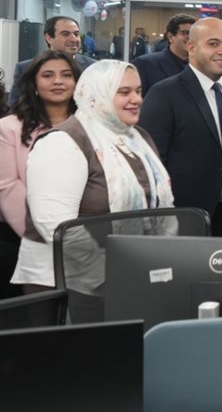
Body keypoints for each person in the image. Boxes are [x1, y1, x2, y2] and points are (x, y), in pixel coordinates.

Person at [14, 61, 173, 291]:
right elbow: (57, 226)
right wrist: (109, 275)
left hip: (132, 276)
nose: (137, 99)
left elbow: (161, 208)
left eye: (138, 91)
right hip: (68, 284)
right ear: (97, 95)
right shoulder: (62, 142)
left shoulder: (138, 137)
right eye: (124, 92)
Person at [138, 17, 222, 236]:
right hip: (183, 217)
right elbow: (151, 163)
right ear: (191, 47)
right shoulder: (164, 93)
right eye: (213, 44)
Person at [1, 51, 81, 295]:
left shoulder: (89, 125)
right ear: (34, 85)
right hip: (24, 238)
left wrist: (79, 237)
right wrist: (47, 233)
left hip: (84, 240)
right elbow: (7, 186)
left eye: (66, 75)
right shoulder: (9, 128)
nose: (58, 81)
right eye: (48, 75)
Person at [9, 16, 95, 105]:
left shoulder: (93, 67)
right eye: (65, 34)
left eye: (76, 34)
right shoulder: (25, 68)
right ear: (49, 38)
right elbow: (15, 106)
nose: (74, 39)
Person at [132, 13, 194, 92]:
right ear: (170, 37)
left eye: (194, 34)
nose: (191, 38)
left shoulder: (201, 65)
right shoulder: (145, 64)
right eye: (186, 33)